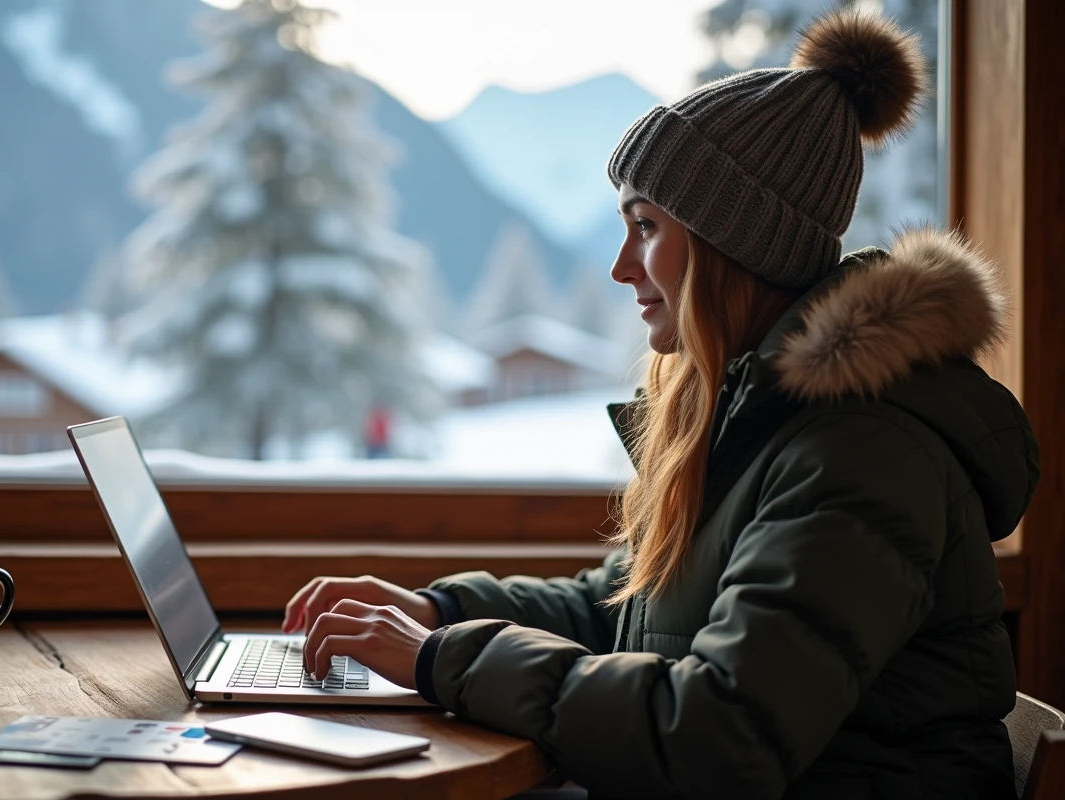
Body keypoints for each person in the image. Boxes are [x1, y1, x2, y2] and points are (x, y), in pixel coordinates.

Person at [281, 9, 1039, 799]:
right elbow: (630, 609)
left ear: (733, 245)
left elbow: (718, 733)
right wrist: (437, 611)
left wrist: (444, 659)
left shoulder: (862, 455)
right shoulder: (759, 416)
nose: (620, 267)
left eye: (645, 226)